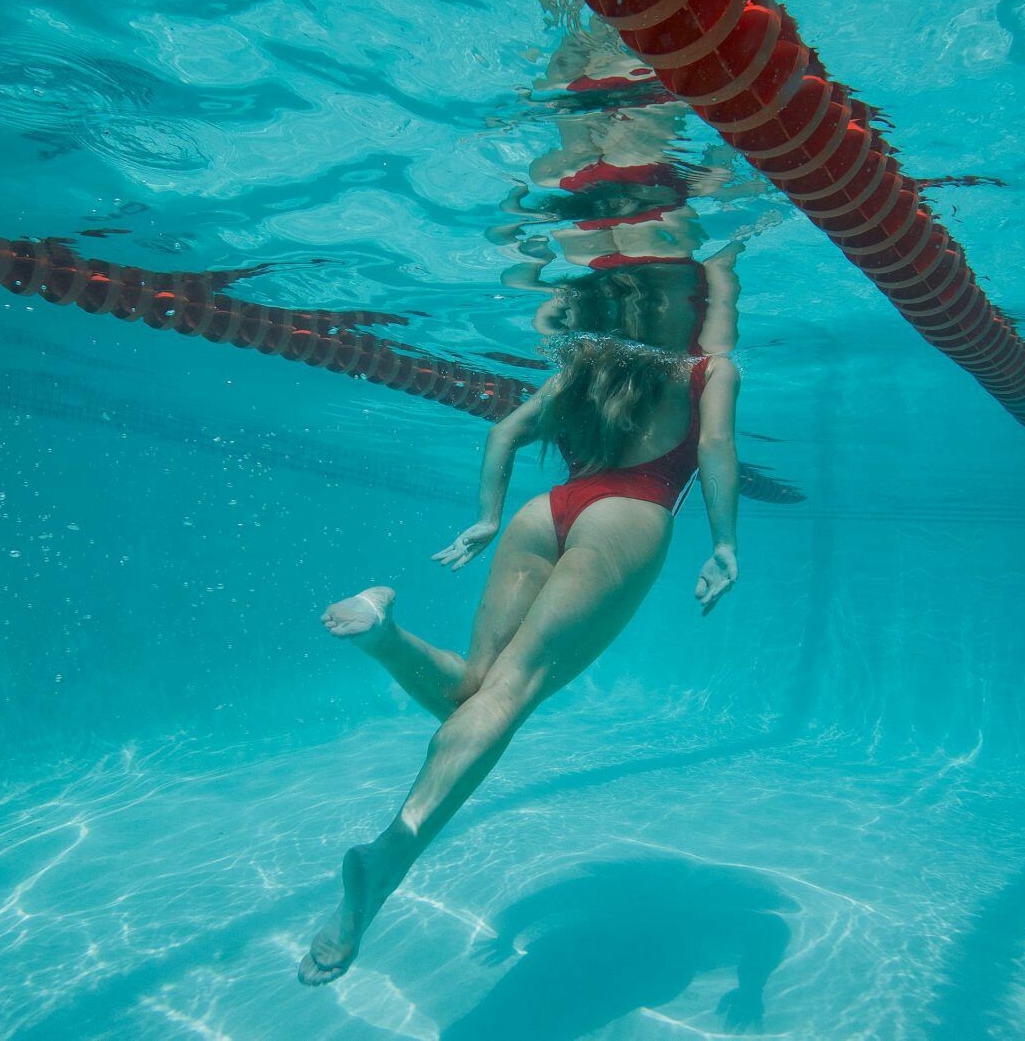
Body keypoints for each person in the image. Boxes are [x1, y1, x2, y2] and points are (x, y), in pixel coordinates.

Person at [297, 266, 743, 986]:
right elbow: (716, 448)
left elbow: (506, 431)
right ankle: (389, 858)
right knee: (510, 694)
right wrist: (724, 543)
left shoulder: (584, 362)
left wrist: (487, 518)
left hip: (547, 511)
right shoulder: (710, 368)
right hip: (630, 517)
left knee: (472, 690)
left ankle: (384, 634)